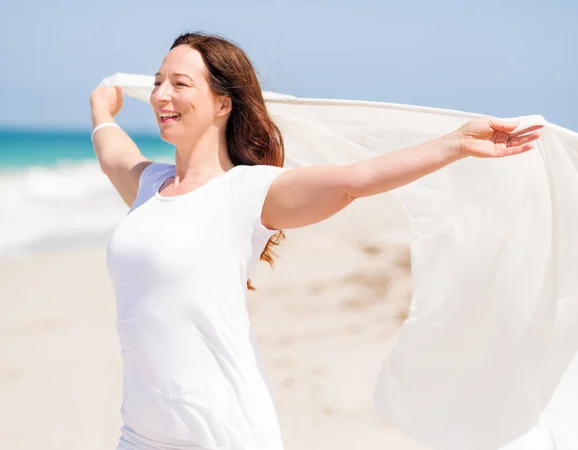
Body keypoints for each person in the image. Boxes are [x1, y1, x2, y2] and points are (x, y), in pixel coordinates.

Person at [90, 32, 543, 450]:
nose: (161, 95)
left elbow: (354, 181)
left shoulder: (247, 192)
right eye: (157, 82)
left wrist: (457, 143)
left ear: (223, 103)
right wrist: (101, 110)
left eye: (180, 83)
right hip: (141, 434)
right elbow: (113, 153)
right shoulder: (149, 187)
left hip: (220, 434)